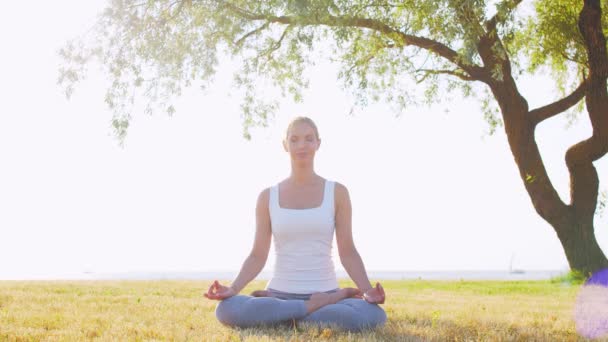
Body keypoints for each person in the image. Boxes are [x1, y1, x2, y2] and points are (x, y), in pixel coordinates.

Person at [204, 116, 387, 331]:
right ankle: (310, 308)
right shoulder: (267, 196)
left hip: (325, 292)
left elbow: (347, 252)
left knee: (372, 315)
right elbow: (257, 255)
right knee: (227, 309)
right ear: (285, 145)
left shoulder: (337, 192)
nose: (302, 145)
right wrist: (233, 289)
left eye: (309, 139)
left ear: (318, 143)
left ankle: (285, 315)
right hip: (279, 294)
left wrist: (366, 291)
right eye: (294, 139)